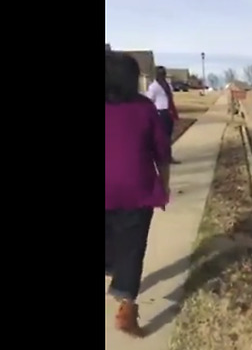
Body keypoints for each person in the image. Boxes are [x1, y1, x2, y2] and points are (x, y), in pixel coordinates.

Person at [105, 52, 171, 337]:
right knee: (132, 246)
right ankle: (126, 307)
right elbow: (162, 152)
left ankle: (112, 268)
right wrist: (164, 186)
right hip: (137, 186)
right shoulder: (144, 108)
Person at [146, 66, 181, 164]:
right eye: (160, 73)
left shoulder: (168, 85)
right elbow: (150, 100)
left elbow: (171, 99)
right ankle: (160, 157)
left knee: (168, 137)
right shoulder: (153, 87)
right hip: (160, 113)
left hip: (168, 113)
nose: (162, 75)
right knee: (161, 137)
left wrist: (174, 113)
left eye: (163, 73)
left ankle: (168, 157)